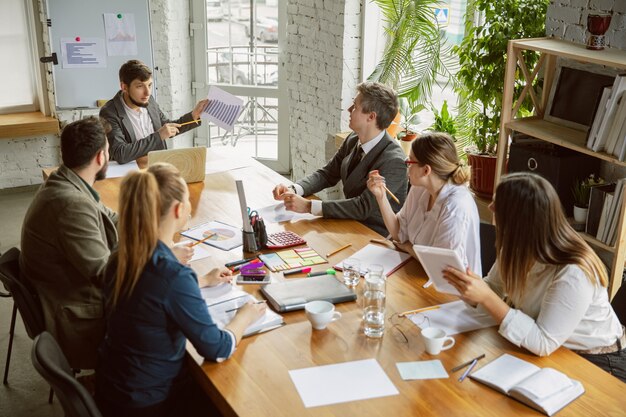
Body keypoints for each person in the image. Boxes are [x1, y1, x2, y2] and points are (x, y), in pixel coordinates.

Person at [96, 163, 266, 416]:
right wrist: (245, 316)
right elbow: (216, 349)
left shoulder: (122, 255)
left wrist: (202, 281)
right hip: (149, 402)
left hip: (113, 388)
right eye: (187, 199)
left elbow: (149, 294)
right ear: (178, 209)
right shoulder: (173, 276)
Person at [443, 172, 626, 382]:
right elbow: (493, 288)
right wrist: (468, 288)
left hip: (597, 362)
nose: (491, 208)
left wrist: (485, 297)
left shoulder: (574, 272)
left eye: (498, 204)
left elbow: (543, 342)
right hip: (551, 350)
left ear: (519, 219)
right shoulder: (517, 246)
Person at [20, 117, 117, 370]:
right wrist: (158, 258)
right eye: (108, 150)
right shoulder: (71, 204)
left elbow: (109, 217)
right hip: (80, 317)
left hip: (66, 292)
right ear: (100, 157)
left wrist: (151, 221)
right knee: (163, 314)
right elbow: (105, 274)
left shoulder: (67, 180)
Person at [272, 82, 408, 236]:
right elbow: (328, 173)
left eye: (355, 106)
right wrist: (294, 189)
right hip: (350, 223)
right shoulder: (353, 138)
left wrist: (308, 206)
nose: (349, 110)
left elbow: (362, 207)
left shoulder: (394, 160)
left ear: (371, 117)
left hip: (376, 236)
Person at [367, 132, 481, 276]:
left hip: (451, 289)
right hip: (418, 272)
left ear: (426, 170)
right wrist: (381, 196)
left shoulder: (456, 206)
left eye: (410, 162)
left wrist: (408, 247)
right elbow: (399, 233)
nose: (407, 166)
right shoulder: (419, 188)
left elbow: (442, 266)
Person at [100, 60, 208, 164]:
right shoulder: (109, 112)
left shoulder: (148, 100)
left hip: (159, 165)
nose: (147, 92)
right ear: (124, 87)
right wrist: (158, 136)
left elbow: (165, 127)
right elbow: (120, 153)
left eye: (150, 85)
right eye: (140, 86)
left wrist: (194, 115)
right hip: (132, 173)